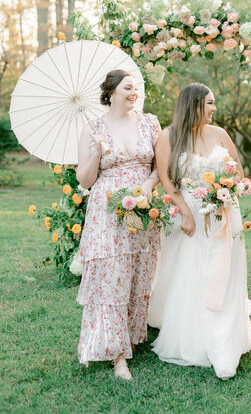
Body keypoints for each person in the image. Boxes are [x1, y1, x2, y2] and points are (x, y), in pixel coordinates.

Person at [148, 83, 251, 380]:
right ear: (193, 104)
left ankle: (224, 342)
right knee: (194, 275)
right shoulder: (169, 136)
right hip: (190, 213)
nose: (214, 109)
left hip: (223, 213)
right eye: (209, 103)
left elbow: (238, 172)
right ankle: (196, 338)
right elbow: (169, 182)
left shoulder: (220, 134)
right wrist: (186, 214)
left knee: (226, 272)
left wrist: (229, 188)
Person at [76, 69, 161, 380]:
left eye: (136, 87)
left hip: (143, 208)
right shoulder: (93, 129)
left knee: (139, 273)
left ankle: (130, 337)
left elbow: (158, 167)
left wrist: (149, 187)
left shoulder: (150, 123)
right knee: (112, 277)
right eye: (128, 87)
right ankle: (116, 354)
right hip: (107, 210)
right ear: (111, 93)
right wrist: (97, 150)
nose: (133, 92)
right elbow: (85, 180)